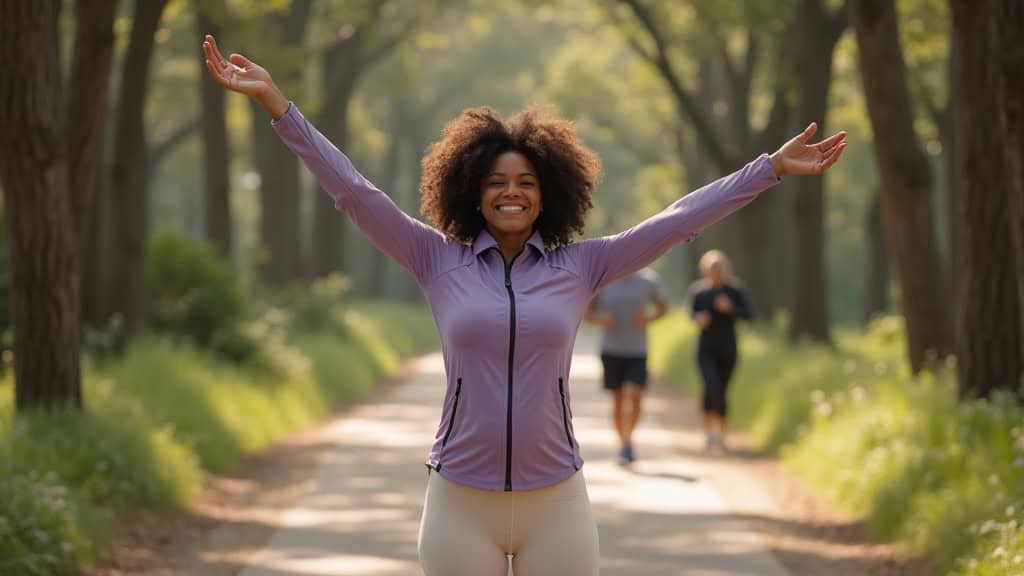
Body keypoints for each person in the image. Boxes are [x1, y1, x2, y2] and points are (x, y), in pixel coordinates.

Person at [201, 33, 847, 576]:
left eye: (526, 184)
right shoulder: (434, 258)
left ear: (548, 194)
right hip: (458, 498)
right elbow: (352, 189)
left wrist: (770, 169)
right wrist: (276, 104)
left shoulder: (582, 266)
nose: (511, 194)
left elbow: (679, 220)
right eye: (497, 183)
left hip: (557, 500)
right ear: (472, 192)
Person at [584, 269, 668, 465]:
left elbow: (664, 308)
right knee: (618, 399)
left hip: (638, 350)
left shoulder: (649, 281)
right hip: (611, 349)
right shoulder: (604, 280)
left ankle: (628, 440)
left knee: (635, 395)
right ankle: (624, 444)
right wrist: (602, 320)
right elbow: (586, 312)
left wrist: (648, 318)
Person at [688, 250, 751, 453]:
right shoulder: (698, 291)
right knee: (710, 385)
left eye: (719, 269)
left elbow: (749, 314)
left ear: (725, 270)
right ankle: (708, 433)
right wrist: (698, 319)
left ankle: (721, 436)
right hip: (705, 349)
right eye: (712, 269)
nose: (716, 272)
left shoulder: (735, 290)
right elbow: (690, 313)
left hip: (728, 348)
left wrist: (730, 308)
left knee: (722, 390)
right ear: (705, 271)